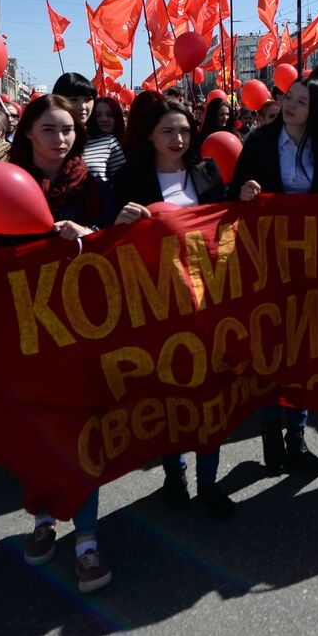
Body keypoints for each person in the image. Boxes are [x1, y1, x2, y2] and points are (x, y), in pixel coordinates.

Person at [0, 95, 117, 592]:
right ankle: (44, 522)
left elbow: (113, 243)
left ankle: (87, 542)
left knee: (83, 431)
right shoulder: (0, 183)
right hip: (25, 329)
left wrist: (91, 232)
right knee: (41, 430)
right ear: (27, 134)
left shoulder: (95, 186)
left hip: (83, 325)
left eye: (67, 129)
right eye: (49, 129)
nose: (60, 138)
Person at [111, 99, 234, 518]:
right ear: (149, 135)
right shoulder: (129, 178)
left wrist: (245, 198)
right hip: (157, 304)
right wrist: (120, 223)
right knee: (169, 395)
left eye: (184, 131)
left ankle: (209, 482)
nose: (178, 139)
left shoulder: (206, 172)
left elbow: (227, 227)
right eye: (168, 132)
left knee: (211, 394)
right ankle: (174, 474)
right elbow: (110, 246)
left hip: (209, 299)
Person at [229, 79, 318, 475]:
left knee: (301, 348)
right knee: (270, 348)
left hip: (313, 261)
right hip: (267, 261)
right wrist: (245, 190)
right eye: (288, 98)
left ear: (315, 109)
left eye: (301, 101)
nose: (290, 106)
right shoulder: (260, 140)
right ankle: (269, 427)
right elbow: (233, 191)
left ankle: (295, 435)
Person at [54, 73, 125, 181]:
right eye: (73, 99)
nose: (82, 106)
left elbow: (125, 185)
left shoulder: (107, 142)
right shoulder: (47, 139)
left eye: (87, 99)